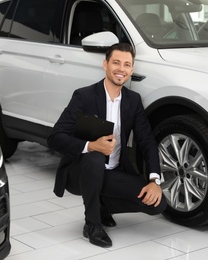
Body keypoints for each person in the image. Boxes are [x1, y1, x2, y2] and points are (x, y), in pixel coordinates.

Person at [47, 43, 167, 248]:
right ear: (105, 64)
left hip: (113, 171)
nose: (121, 69)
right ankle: (92, 224)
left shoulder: (133, 100)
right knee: (94, 158)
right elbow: (55, 137)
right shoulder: (84, 96)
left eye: (127, 65)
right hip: (80, 172)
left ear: (131, 70)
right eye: (116, 63)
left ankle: (101, 206)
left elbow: (147, 140)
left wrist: (154, 179)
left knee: (157, 204)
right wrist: (91, 146)